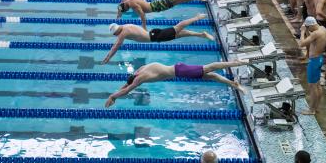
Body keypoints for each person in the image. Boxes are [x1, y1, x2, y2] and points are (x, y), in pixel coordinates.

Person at [106, 60, 247, 107]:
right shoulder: (140, 70)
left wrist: (113, 97)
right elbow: (126, 86)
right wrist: (118, 91)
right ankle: (232, 83)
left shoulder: (139, 79)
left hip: (180, 72)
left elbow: (127, 89)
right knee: (211, 76)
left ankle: (237, 62)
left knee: (209, 68)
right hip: (178, 67)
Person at [103, 14, 214, 63]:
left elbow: (115, 46)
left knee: (178, 28)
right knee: (180, 33)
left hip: (155, 36)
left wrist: (108, 58)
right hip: (153, 34)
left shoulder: (124, 32)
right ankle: (201, 35)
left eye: (115, 34)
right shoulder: (126, 26)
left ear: (117, 31)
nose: (117, 36)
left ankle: (197, 17)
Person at [116, 0, 206, 29]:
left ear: (126, 8)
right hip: (155, 5)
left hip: (156, 6)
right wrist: (118, 14)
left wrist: (144, 27)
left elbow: (142, 15)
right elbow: (121, 4)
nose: (128, 10)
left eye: (126, 10)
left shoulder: (132, 5)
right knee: (176, 1)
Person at [299, 17, 326, 115]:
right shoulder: (323, 29)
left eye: (308, 27)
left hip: (314, 61)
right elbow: (312, 39)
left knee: (312, 86)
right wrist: (307, 30)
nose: (308, 29)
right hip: (319, 58)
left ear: (311, 25)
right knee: (317, 85)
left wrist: (302, 32)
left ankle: (311, 110)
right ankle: (317, 107)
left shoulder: (316, 33)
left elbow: (302, 44)